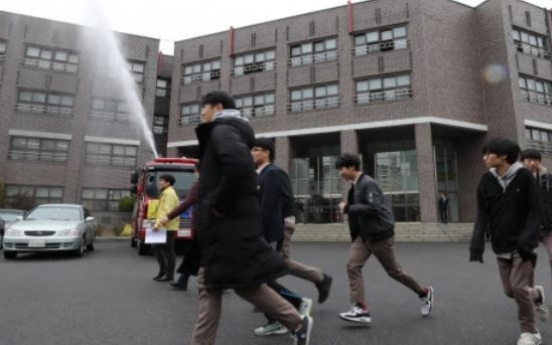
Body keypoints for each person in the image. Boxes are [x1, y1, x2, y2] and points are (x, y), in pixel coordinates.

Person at [190, 91, 312, 345]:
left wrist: (218, 207)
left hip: (225, 225)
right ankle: (297, 323)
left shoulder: (221, 130)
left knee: (211, 284)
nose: (201, 113)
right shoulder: (232, 131)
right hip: (230, 226)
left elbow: (236, 167)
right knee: (242, 284)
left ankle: (297, 322)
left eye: (204, 108)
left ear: (218, 106)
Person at [335, 153, 434, 324]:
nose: (340, 173)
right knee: (352, 265)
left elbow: (374, 208)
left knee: (394, 272)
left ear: (351, 167)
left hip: (379, 234)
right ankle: (361, 309)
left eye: (341, 169)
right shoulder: (356, 185)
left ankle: (424, 292)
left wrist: (348, 208)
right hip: (364, 236)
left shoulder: (368, 183)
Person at [251, 138, 332, 336]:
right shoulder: (259, 175)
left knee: (266, 272)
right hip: (269, 228)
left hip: (274, 228)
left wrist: (285, 225)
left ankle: (288, 306)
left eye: (256, 149)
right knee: (275, 267)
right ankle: (311, 287)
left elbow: (272, 204)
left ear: (267, 153)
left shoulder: (274, 173)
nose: (251, 153)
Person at [470, 138, 546, 345]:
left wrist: (528, 238)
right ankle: (537, 295)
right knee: (510, 291)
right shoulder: (486, 181)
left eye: (488, 154)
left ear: (503, 155)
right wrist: (476, 241)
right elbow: (482, 213)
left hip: (523, 245)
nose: (484, 158)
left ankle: (531, 332)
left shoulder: (524, 177)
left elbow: (535, 210)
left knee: (518, 287)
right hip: (501, 244)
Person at [160, 163, 200, 291]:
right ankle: (182, 280)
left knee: (197, 253)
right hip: (210, 224)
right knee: (196, 253)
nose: (159, 182)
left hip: (202, 224)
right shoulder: (215, 182)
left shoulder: (199, 184)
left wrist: (168, 217)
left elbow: (186, 203)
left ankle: (220, 282)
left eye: (161, 180)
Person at [521, 149, 550, 315]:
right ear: (523, 161)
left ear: (539, 162)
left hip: (548, 227)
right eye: (528, 160)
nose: (532, 163)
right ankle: (533, 293)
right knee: (526, 263)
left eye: (535, 160)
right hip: (527, 229)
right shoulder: (517, 180)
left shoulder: (547, 179)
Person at [152, 174, 179, 282]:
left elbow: (167, 211)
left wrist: (157, 225)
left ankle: (169, 274)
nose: (159, 182)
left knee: (168, 250)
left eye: (161, 180)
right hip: (163, 225)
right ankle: (163, 271)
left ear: (168, 183)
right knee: (156, 247)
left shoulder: (169, 194)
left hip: (167, 226)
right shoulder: (165, 192)